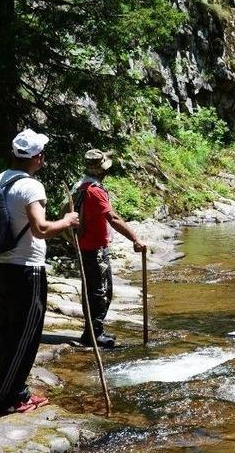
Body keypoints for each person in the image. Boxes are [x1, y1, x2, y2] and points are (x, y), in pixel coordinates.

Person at [0, 129, 79, 415]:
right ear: (37, 158)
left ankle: (16, 391)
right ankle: (5, 399)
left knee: (7, 333)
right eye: (42, 153)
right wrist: (67, 220)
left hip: (1, 267)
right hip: (27, 270)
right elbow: (41, 229)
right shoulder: (31, 186)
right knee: (26, 337)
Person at [73, 149, 147, 348]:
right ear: (101, 170)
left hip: (85, 245)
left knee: (95, 289)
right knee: (100, 291)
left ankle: (92, 331)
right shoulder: (94, 191)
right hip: (94, 248)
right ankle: (94, 335)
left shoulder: (80, 185)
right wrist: (135, 239)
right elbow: (112, 218)